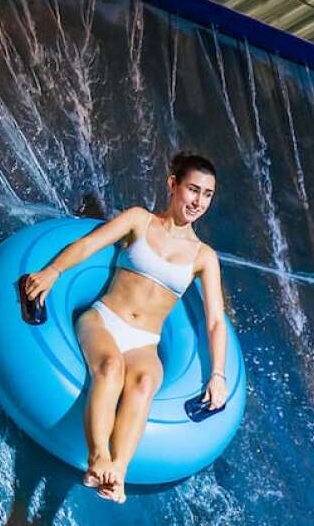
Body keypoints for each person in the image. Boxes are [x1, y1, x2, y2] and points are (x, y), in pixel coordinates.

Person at [20, 151, 229, 503]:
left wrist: (218, 375)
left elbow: (215, 320)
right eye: (193, 190)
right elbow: (89, 244)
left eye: (207, 195)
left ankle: (117, 471)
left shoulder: (204, 256)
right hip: (104, 318)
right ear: (172, 185)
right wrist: (53, 272)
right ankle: (98, 457)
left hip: (145, 342)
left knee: (145, 382)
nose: (198, 201)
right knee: (110, 368)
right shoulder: (139, 220)